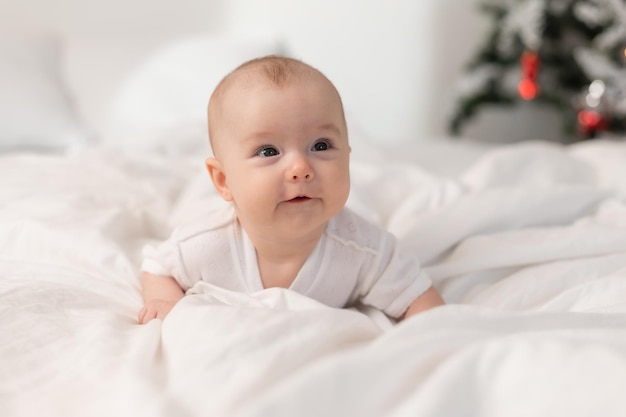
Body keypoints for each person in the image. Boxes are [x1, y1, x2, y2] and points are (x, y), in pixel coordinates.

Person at [137, 55, 444, 324]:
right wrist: (165, 301)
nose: (300, 168)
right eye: (268, 151)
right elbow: (157, 266)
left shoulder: (365, 250)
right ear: (223, 181)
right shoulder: (205, 244)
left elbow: (419, 298)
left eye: (321, 145)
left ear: (348, 155)